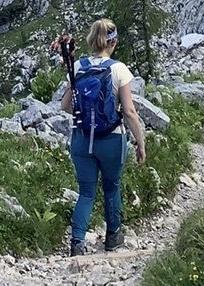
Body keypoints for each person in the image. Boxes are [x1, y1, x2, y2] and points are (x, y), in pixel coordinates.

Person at [60, 17, 146, 255]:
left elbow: (65, 106)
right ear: (113, 42)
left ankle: (77, 242)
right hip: (111, 139)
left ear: (91, 40)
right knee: (111, 187)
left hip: (82, 139)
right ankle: (113, 236)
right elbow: (129, 111)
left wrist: (86, 116)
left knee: (86, 192)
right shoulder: (118, 69)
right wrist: (140, 142)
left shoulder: (77, 67)